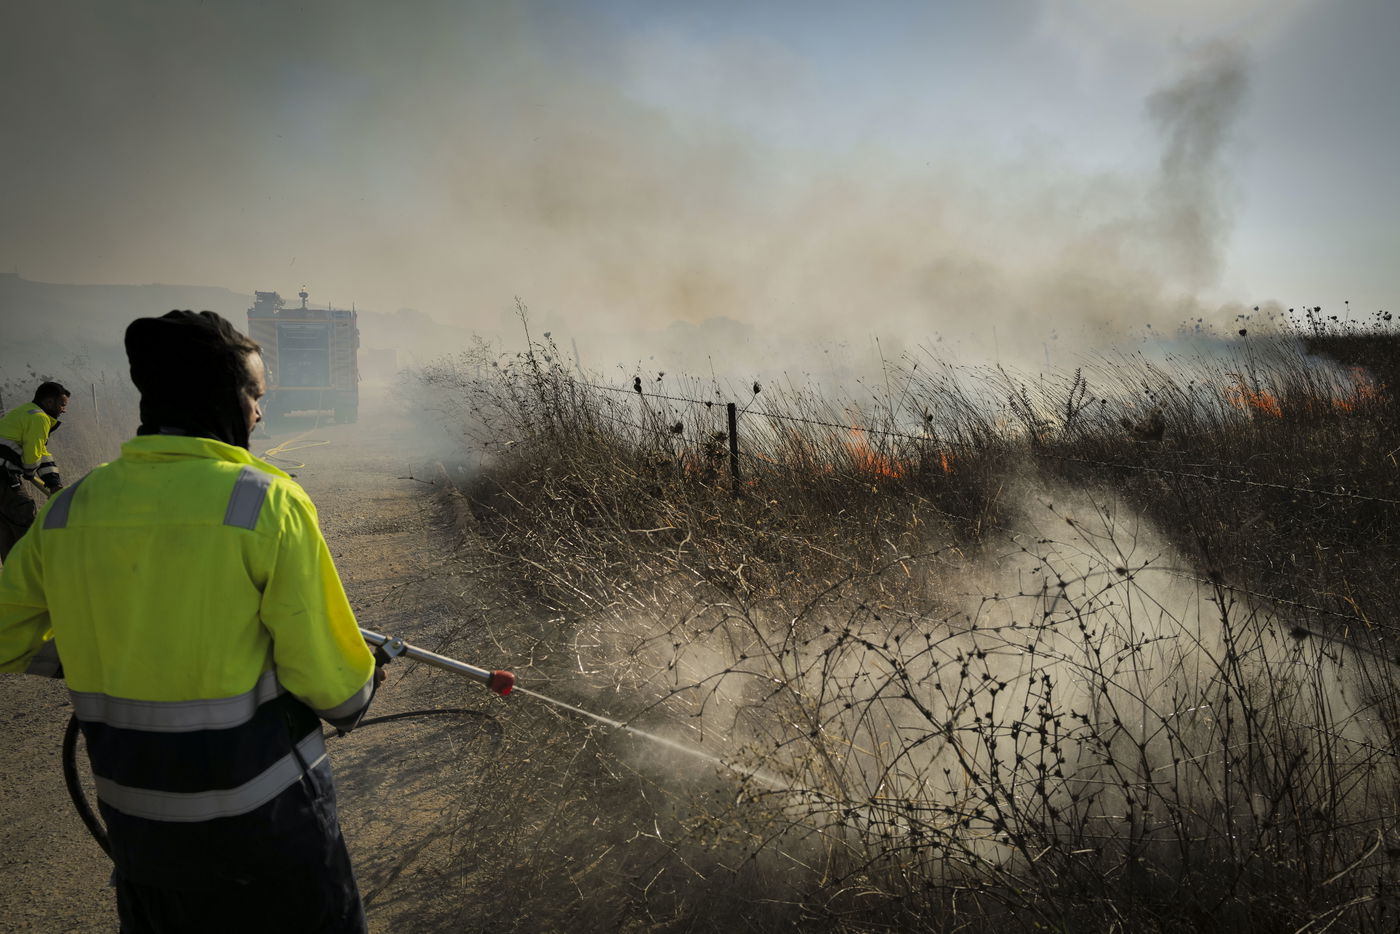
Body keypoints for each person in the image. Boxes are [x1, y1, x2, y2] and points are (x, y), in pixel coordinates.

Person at [0, 311, 379, 933]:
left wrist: (109, 651)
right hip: (272, 831)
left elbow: (7, 637)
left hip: (145, 844)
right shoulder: (266, 501)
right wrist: (366, 679)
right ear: (225, 400)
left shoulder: (69, 508)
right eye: (255, 396)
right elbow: (337, 692)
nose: (260, 413)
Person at [0, 381, 70, 561]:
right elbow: (32, 456)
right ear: (49, 402)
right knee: (25, 514)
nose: (64, 410)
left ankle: (12, 571)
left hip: (4, 476)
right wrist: (30, 472)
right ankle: (31, 567)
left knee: (6, 525)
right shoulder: (40, 418)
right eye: (62, 405)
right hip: (4, 477)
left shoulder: (25, 411)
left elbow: (41, 452)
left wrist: (53, 482)